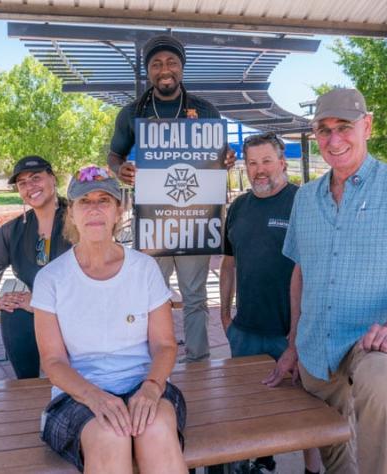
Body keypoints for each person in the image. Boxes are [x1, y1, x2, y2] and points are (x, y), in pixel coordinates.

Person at [263, 88, 387, 474]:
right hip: (316, 346)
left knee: (379, 376)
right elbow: (300, 273)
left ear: (368, 126)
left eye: (343, 127)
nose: (333, 140)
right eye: (323, 130)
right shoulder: (306, 197)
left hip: (371, 340)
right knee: (335, 458)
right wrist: (293, 344)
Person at [31, 165, 187, 473]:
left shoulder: (144, 269)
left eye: (104, 200)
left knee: (154, 429)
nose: (94, 209)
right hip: (78, 394)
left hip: (146, 384)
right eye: (84, 202)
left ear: (119, 210)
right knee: (110, 435)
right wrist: (95, 397)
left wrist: (151, 389)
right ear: (71, 213)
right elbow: (53, 361)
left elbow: (164, 345)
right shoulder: (51, 278)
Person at [107, 34, 234, 362]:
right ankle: (153, 363)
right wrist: (121, 170)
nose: (165, 69)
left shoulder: (205, 109)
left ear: (181, 68)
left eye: (172, 62)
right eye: (157, 64)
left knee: (195, 296)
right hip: (154, 220)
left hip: (196, 220)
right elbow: (114, 156)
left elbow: (218, 154)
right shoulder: (132, 112)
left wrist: (227, 158)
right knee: (151, 296)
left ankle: (198, 360)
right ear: (148, 71)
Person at [220, 132, 320, 474]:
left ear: (282, 162)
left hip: (294, 332)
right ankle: (261, 462)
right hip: (246, 330)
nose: (259, 170)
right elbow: (228, 263)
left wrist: (298, 333)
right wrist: (224, 316)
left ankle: (312, 469)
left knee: (306, 407)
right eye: (252, 163)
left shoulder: (305, 202)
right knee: (249, 406)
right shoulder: (238, 207)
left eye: (266, 161)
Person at [0, 156, 70, 378]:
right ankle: (27, 385)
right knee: (13, 312)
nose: (30, 187)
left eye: (36, 178)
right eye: (22, 183)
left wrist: (39, 302)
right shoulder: (16, 230)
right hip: (41, 311)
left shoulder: (77, 218)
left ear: (52, 179)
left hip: (81, 306)